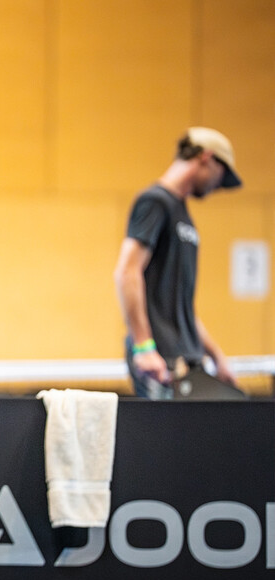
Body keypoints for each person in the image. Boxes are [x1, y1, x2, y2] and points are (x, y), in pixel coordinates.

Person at [113, 127, 242, 399]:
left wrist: (217, 356)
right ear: (206, 158)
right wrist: (144, 347)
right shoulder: (154, 201)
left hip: (187, 358)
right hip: (160, 359)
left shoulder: (181, 213)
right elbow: (127, 271)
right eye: (221, 175)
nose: (218, 185)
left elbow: (180, 304)